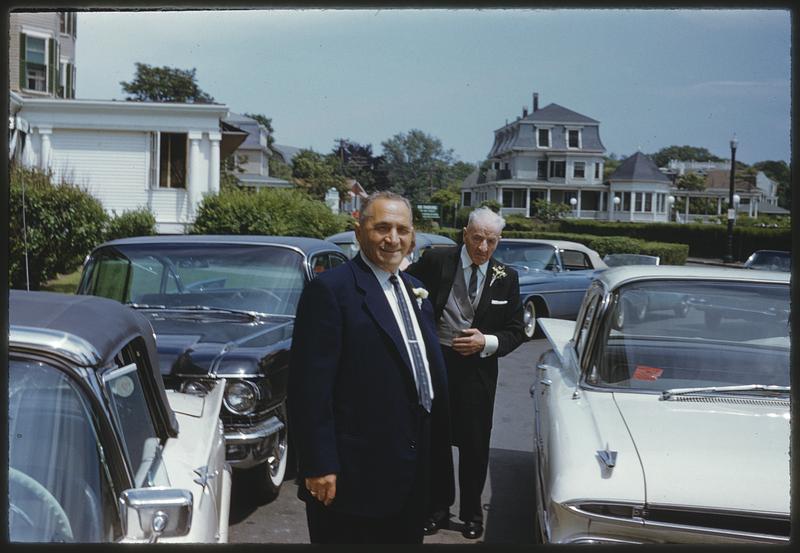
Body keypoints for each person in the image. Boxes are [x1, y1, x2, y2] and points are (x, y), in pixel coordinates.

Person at [288, 191, 454, 544]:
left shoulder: (416, 291)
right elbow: (309, 389)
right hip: (353, 480)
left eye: (402, 230)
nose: (393, 239)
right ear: (359, 231)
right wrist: (318, 465)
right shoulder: (331, 291)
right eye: (382, 228)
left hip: (413, 474)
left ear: (413, 236)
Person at [405, 206, 524, 540]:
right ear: (465, 235)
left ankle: (472, 514)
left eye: (491, 241)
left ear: (499, 241)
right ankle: (438, 509)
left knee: (475, 446)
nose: (482, 248)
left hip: (478, 373)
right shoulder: (437, 260)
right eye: (477, 238)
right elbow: (405, 287)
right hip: (438, 363)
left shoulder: (507, 277)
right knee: (437, 440)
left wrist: (486, 340)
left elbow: (517, 331)